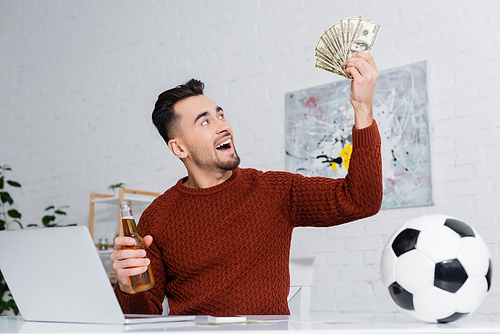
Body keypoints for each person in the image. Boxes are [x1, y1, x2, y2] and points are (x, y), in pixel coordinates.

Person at [110, 52, 383, 316]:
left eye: (220, 115)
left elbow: (361, 200)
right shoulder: (157, 218)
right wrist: (127, 286)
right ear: (179, 148)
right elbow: (142, 318)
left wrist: (362, 107)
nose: (223, 126)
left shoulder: (274, 191)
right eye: (205, 122)